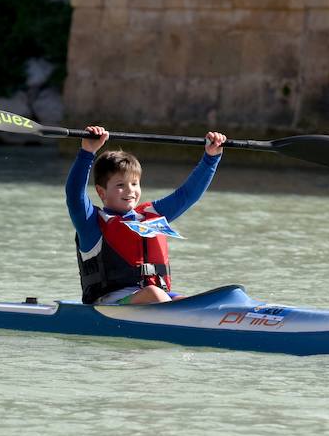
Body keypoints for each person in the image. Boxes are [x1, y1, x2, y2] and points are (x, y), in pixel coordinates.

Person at [65, 126, 226, 305]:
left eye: (135, 183)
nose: (130, 191)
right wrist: (87, 152)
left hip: (156, 297)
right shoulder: (92, 223)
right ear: (101, 192)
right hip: (111, 305)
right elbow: (74, 195)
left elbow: (187, 195)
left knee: (191, 301)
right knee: (154, 294)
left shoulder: (150, 215)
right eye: (120, 185)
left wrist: (211, 158)